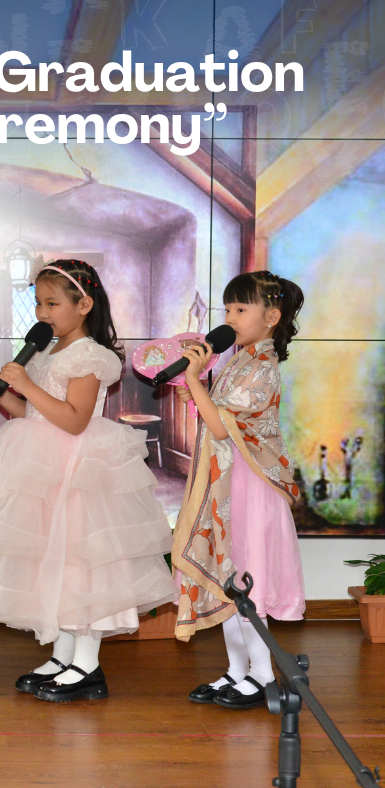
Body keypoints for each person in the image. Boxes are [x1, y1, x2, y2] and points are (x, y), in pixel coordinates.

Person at [0, 259, 175, 703]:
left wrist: (27, 386)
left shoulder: (90, 355)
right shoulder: (46, 352)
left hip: (79, 471)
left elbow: (74, 420)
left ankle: (88, 665)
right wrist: (3, 394)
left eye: (52, 303)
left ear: (84, 305)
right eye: (38, 303)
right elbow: (34, 414)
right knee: (52, 563)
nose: (42, 313)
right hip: (46, 470)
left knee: (81, 565)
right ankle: (63, 654)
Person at [175, 270, 305, 709]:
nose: (229, 317)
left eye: (240, 309)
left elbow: (221, 428)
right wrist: (197, 385)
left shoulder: (263, 367)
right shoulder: (238, 360)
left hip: (251, 487)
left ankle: (262, 675)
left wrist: (195, 381)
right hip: (229, 482)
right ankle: (237, 670)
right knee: (230, 580)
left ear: (271, 316)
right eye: (227, 308)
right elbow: (218, 419)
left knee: (248, 580)